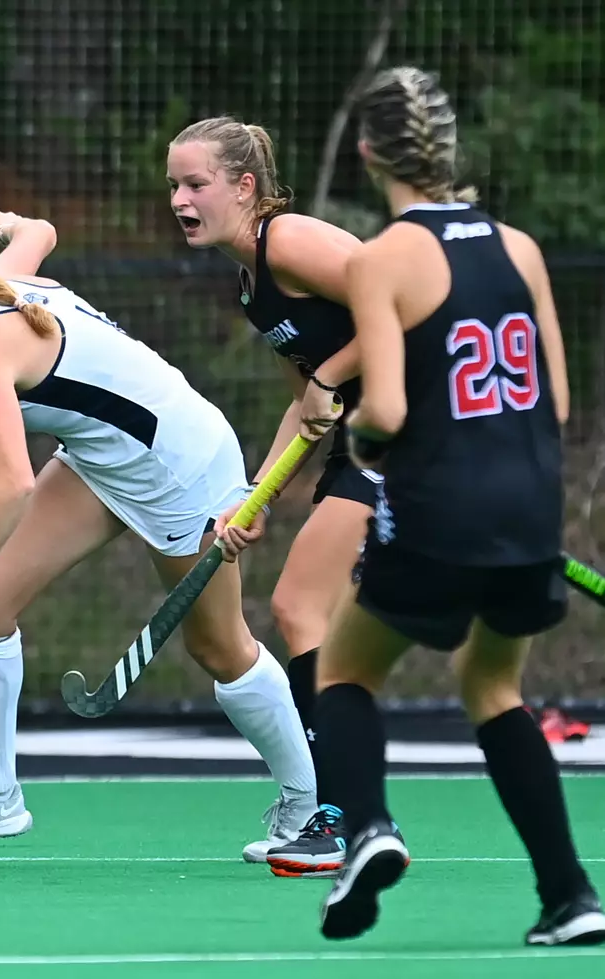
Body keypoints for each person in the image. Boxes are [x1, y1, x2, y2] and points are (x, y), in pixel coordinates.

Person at [0, 210, 315, 861]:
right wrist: (15, 225)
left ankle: (309, 802)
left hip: (178, 465)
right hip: (104, 456)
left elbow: (12, 484)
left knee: (219, 647)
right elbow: (40, 234)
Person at [292, 67, 601, 944]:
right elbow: (556, 403)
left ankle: (368, 831)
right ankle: (570, 897)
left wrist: (361, 445)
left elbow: (386, 411)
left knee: (344, 672)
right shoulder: (521, 248)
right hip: (530, 508)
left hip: (436, 508)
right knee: (494, 686)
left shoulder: (381, 258)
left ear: (367, 153)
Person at [166, 117, 375, 878]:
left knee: (298, 608)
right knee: (323, 619)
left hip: (416, 431)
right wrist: (253, 497)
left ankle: (342, 817)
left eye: (196, 184)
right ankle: (348, 813)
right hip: (361, 441)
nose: (180, 200)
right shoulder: (254, 284)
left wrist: (333, 374)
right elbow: (303, 406)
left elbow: (409, 306)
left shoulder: (288, 241)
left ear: (244, 186)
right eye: (174, 186)